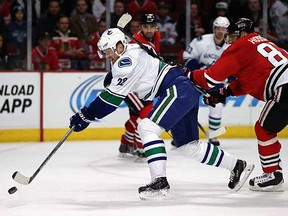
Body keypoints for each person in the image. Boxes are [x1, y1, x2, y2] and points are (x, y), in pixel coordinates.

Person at [69, 27, 254, 199]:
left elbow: (110, 102)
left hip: (176, 89)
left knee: (147, 127)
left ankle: (160, 182)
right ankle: (237, 166)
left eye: (109, 51)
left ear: (119, 46)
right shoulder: (134, 49)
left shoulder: (125, 62)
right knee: (189, 146)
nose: (108, 56)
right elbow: (146, 60)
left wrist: (85, 115)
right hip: (184, 90)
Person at [186, 18, 288, 192]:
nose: (230, 41)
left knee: (264, 129)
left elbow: (210, 78)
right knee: (266, 127)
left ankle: (273, 175)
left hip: (284, 87)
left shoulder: (241, 46)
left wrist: (186, 74)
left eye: (233, 36)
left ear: (242, 34)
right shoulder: (260, 42)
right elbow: (248, 81)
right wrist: (224, 93)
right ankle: (273, 175)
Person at [117, 13, 160, 162]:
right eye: (146, 27)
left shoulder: (156, 37)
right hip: (129, 87)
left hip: (142, 86)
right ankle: (140, 149)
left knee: (135, 117)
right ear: (141, 28)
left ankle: (125, 144)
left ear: (156, 27)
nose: (149, 30)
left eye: (152, 27)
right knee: (146, 114)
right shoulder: (134, 44)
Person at [182, 16, 230, 146]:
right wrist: (197, 70)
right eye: (218, 28)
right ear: (214, 29)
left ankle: (213, 136)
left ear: (227, 31)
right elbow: (187, 57)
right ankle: (181, 136)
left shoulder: (231, 46)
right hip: (197, 79)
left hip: (216, 81)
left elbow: (236, 66)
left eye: (223, 29)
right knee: (186, 106)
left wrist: (229, 76)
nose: (220, 31)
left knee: (217, 106)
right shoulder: (201, 41)